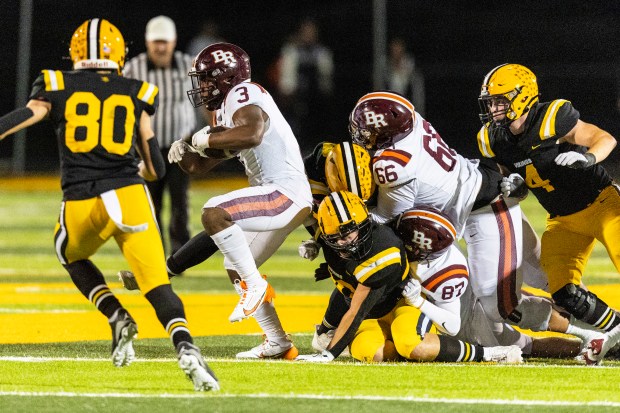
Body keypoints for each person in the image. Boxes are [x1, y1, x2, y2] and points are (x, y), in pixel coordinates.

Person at [0, 19, 218, 391]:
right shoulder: (137, 89)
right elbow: (154, 165)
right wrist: (141, 172)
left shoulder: (56, 83)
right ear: (118, 52)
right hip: (131, 195)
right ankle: (186, 348)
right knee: (158, 286)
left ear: (76, 52)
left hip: (83, 198)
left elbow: (25, 116)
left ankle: (116, 314)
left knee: (68, 253)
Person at [347, 91, 602, 356]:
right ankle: (605, 329)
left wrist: (345, 215)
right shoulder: (412, 121)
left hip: (484, 209)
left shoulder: (393, 164)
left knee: (502, 305)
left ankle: (600, 331)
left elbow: (386, 218)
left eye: (368, 130)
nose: (363, 137)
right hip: (475, 197)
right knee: (548, 279)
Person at [167, 42, 313, 358]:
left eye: (206, 79)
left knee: (215, 213)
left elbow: (252, 134)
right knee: (234, 262)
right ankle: (277, 342)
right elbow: (200, 165)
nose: (201, 86)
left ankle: (255, 285)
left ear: (224, 78)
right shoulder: (229, 109)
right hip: (282, 196)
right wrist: (183, 152)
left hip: (283, 192)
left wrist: (206, 137)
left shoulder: (243, 94)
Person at [476, 63, 620, 364]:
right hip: (563, 220)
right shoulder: (493, 139)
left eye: (500, 100)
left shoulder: (551, 117)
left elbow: (605, 138)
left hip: (603, 204)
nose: (494, 108)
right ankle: (615, 331)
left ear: (523, 96)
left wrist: (587, 157)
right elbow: (515, 185)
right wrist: (511, 186)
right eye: (491, 102)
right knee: (564, 293)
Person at [296, 191, 523, 363]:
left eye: (350, 233)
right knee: (377, 354)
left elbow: (357, 308)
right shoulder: (328, 239)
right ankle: (390, 341)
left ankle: (488, 354)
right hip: (371, 316)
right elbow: (344, 289)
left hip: (401, 305)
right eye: (336, 237)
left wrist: (329, 353)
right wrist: (316, 243)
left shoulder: (385, 252)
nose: (346, 242)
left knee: (414, 347)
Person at [123, 16, 197, 255]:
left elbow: (204, 103)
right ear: (148, 42)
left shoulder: (189, 65)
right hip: (146, 149)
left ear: (173, 42)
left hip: (180, 147)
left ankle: (180, 257)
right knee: (149, 204)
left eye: (165, 41)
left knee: (180, 205)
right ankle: (154, 253)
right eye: (156, 42)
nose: (161, 47)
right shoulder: (133, 68)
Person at [277, 18, 334, 155]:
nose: (309, 35)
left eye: (312, 32)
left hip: (316, 98)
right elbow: (286, 75)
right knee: (296, 128)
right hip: (296, 97)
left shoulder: (321, 52)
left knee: (316, 128)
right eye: (306, 32)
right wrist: (287, 93)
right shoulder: (292, 51)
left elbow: (327, 76)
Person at [384, 38, 425, 117]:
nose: (396, 51)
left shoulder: (409, 61)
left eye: (398, 48)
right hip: (390, 98)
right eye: (394, 48)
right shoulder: (385, 63)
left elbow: (412, 79)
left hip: (407, 97)